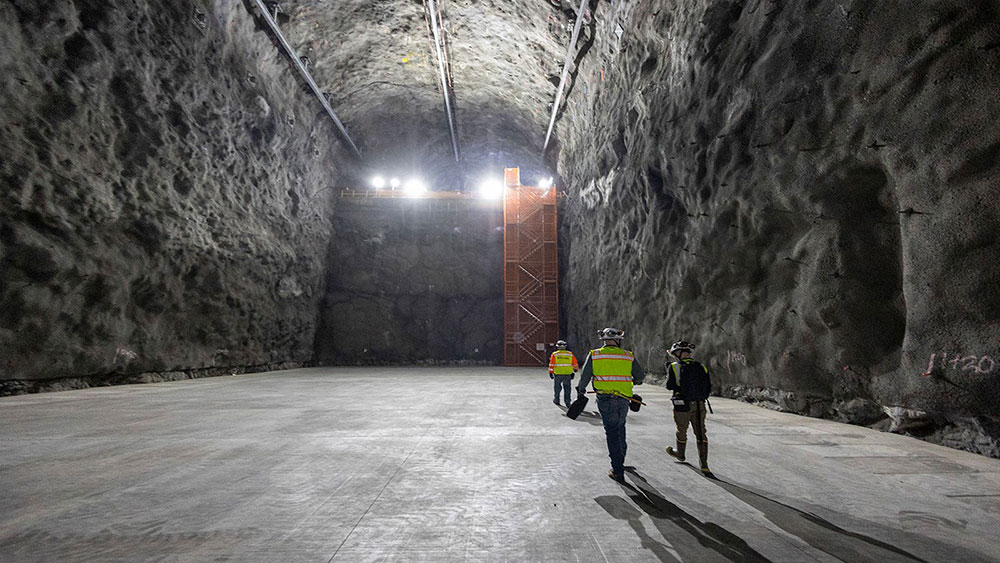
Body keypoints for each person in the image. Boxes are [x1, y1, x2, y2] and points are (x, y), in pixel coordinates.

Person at [576, 327, 644, 481]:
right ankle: (621, 460)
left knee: (612, 432)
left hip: (605, 399)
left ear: (603, 340)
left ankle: (617, 470)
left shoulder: (595, 355)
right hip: (624, 398)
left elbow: (585, 376)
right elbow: (639, 378)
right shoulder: (628, 355)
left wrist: (581, 391)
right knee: (620, 427)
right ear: (618, 340)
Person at [664, 340, 713, 475]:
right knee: (701, 433)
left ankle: (680, 454)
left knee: (681, 430)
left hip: (683, 405)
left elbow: (670, 386)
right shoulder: (702, 366)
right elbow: (708, 386)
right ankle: (704, 465)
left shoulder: (674, 367)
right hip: (700, 404)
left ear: (678, 353)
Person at [548, 340, 579, 406]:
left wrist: (550, 372)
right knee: (567, 389)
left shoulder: (555, 354)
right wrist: (575, 370)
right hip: (567, 374)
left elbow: (551, 364)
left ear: (557, 347)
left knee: (557, 388)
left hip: (558, 374)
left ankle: (557, 400)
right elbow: (574, 363)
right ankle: (567, 402)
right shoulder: (569, 354)